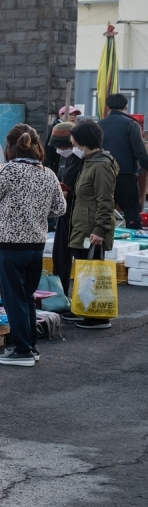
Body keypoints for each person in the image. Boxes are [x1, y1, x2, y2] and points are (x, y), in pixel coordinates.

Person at [0, 124, 66, 367]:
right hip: (37, 245)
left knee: (13, 299)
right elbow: (60, 208)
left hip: (10, 246)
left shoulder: (7, 170)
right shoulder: (48, 173)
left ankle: (22, 350)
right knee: (27, 297)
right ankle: (31, 346)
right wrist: (37, 209)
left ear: (10, 146)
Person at [65, 120, 119, 330]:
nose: (74, 146)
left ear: (83, 141)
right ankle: (82, 307)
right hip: (83, 224)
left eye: (75, 142)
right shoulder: (90, 161)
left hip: (91, 228)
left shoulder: (100, 165)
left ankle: (97, 316)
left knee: (92, 270)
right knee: (83, 268)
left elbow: (106, 200)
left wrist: (100, 230)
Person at [97, 93, 148, 230]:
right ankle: (132, 242)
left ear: (107, 107)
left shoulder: (99, 125)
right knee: (131, 212)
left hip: (103, 175)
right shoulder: (131, 124)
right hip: (125, 174)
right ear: (126, 106)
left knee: (103, 212)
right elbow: (140, 153)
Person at [47, 121, 83, 297]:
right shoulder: (64, 157)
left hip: (78, 216)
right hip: (63, 214)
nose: (59, 150)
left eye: (62, 146)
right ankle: (60, 296)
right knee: (60, 257)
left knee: (81, 259)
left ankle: (80, 300)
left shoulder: (83, 160)